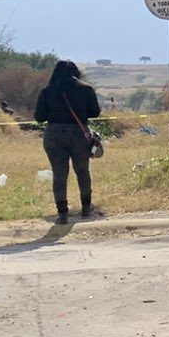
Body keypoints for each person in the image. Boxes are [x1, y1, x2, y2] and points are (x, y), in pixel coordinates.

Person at [33, 61, 104, 223]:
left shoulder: (47, 91)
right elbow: (95, 112)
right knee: (82, 170)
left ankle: (62, 213)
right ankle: (86, 208)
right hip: (78, 133)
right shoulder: (86, 89)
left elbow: (39, 117)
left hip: (54, 134)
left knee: (59, 174)